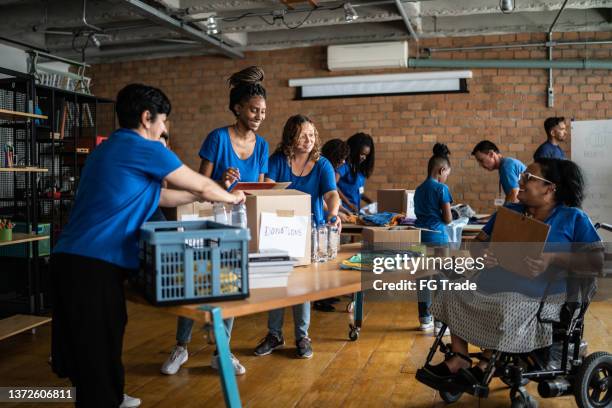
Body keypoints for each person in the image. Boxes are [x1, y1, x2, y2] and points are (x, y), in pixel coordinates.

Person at [51, 83, 245, 408]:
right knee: (97, 349)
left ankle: (109, 395)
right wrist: (231, 196)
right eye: (163, 122)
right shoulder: (145, 147)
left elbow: (166, 195)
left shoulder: (110, 148)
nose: (164, 129)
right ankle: (103, 398)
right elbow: (197, 181)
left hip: (70, 261)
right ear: (146, 118)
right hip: (92, 264)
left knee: (101, 340)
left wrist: (205, 193)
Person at [426, 158, 603, 383]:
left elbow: (596, 260)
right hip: (494, 284)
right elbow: (478, 244)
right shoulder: (509, 212)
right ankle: (460, 356)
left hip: (541, 296)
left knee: (509, 304)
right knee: (452, 290)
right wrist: (484, 254)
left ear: (549, 188)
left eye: (529, 177)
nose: (521, 179)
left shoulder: (573, 218)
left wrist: (552, 257)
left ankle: (487, 362)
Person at [162, 66, 269, 377]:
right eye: (253, 109)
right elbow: (199, 184)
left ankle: (221, 352)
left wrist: (251, 189)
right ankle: (181, 346)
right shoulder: (217, 138)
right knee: (196, 284)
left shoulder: (261, 145)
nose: (259, 116)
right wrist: (223, 182)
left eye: (263, 111)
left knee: (230, 286)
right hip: (208, 222)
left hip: (239, 225)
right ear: (238, 108)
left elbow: (258, 187)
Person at [256, 114, 342, 359]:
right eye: (303, 135)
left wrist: (333, 214)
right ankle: (274, 334)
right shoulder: (278, 161)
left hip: (308, 233)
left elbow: (331, 195)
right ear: (290, 136)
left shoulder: (322, 164)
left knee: (301, 286)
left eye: (312, 135)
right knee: (277, 283)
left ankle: (302, 336)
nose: (309, 140)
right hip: (276, 231)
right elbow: (268, 191)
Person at [414, 143, 453, 335]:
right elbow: (447, 218)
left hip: (420, 237)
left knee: (422, 278)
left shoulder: (419, 189)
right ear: (441, 170)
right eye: (447, 174)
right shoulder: (442, 189)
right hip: (438, 237)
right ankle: (440, 323)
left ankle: (424, 319)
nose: (446, 178)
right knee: (440, 279)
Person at [336, 132, 375, 215]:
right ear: (354, 150)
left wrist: (370, 201)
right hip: (342, 212)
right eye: (362, 154)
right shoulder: (345, 166)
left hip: (354, 212)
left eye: (366, 155)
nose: (364, 157)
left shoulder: (360, 172)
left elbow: (359, 192)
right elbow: (332, 185)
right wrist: (349, 204)